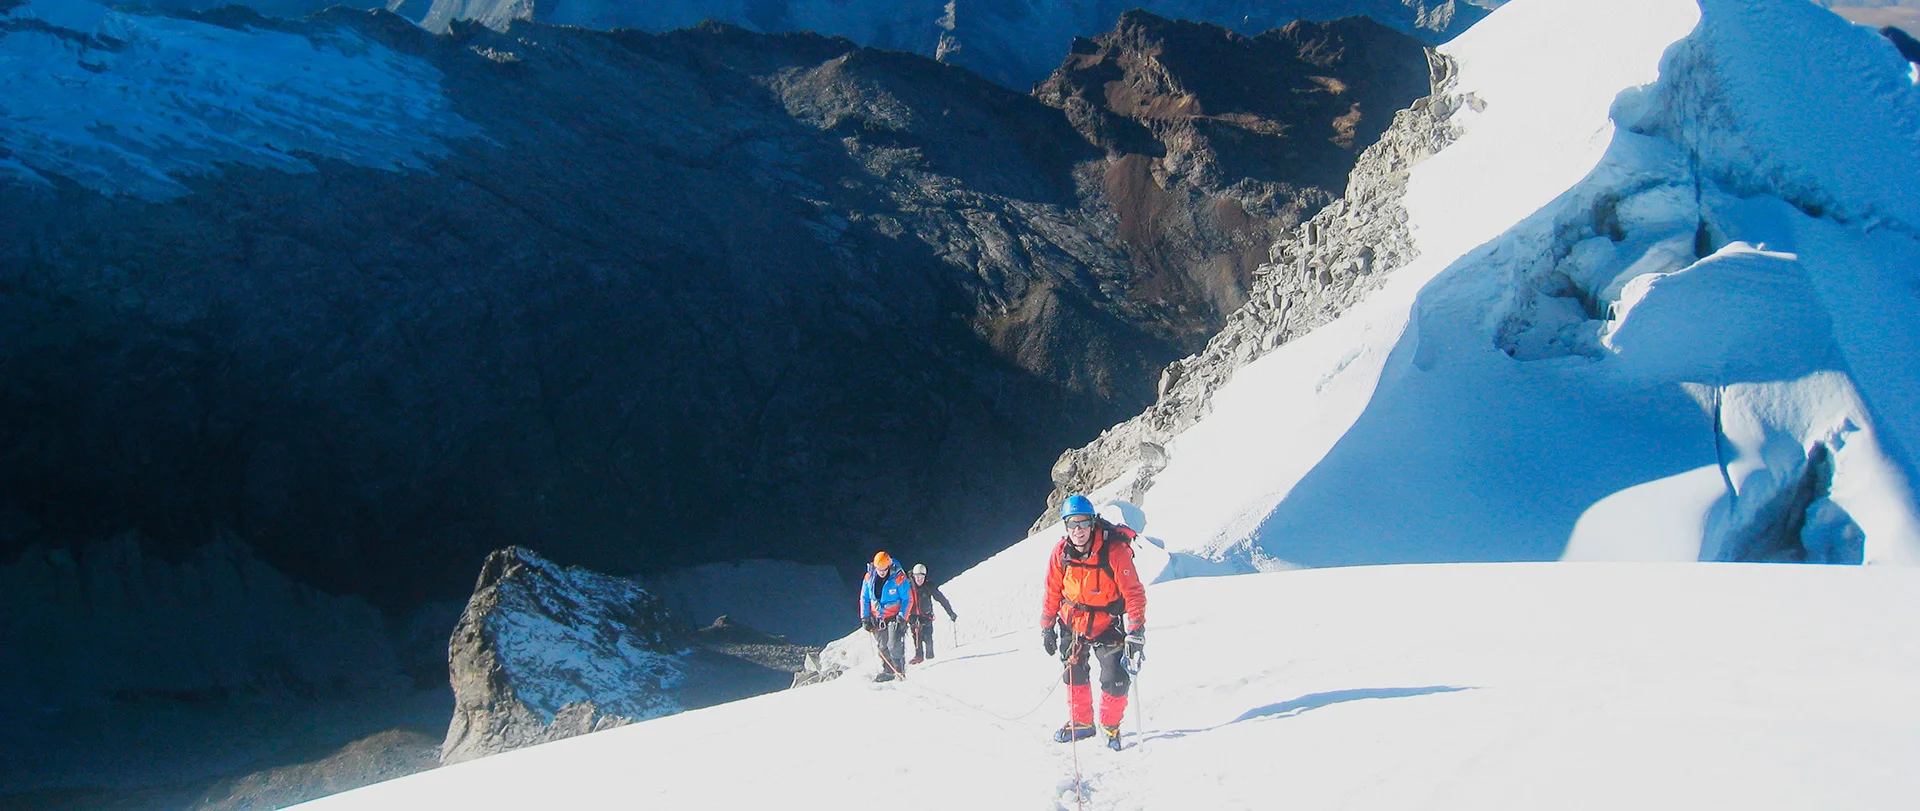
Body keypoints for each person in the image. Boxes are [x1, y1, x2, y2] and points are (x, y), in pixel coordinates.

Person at [1039, 495, 1146, 751]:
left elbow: (1133, 593)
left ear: (1092, 522)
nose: (1078, 530)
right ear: (1065, 525)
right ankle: (1081, 722)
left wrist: (1135, 630)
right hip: (1072, 622)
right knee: (1073, 672)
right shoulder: (1061, 553)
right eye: (1072, 524)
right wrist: (1047, 626)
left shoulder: (1115, 551)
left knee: (1116, 678)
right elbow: (1052, 590)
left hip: (1106, 622)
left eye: (1083, 523)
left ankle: (1110, 725)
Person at [860, 551, 914, 682]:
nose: (882, 572)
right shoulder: (869, 578)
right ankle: (888, 671)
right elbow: (864, 598)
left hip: (895, 617)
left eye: (885, 569)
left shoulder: (898, 578)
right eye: (880, 569)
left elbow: (908, 599)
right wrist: (865, 617)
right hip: (878, 618)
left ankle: (899, 671)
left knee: (894, 644)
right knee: (882, 646)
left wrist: (902, 617)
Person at [906, 563, 957, 664]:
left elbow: (941, 599)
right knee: (916, 637)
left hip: (926, 617)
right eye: (917, 577)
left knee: (928, 637)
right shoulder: (907, 586)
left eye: (922, 577)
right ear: (913, 576)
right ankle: (919, 656)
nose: (919, 579)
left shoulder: (928, 586)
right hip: (913, 617)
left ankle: (930, 656)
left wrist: (950, 612)